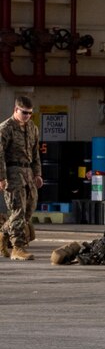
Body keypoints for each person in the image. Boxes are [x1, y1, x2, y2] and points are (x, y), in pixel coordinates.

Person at [0, 96, 43, 261]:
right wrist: (2, 177)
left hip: (28, 172)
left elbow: (35, 153)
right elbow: (0, 155)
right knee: (17, 210)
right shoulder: (5, 128)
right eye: (24, 112)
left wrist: (37, 174)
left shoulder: (32, 128)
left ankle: (2, 235)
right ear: (15, 110)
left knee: (28, 211)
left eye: (30, 113)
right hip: (12, 172)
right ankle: (17, 248)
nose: (27, 116)